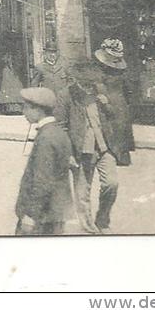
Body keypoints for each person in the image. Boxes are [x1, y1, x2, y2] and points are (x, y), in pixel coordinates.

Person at [54, 58, 132, 234]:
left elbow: (113, 117)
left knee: (112, 183)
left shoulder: (99, 90)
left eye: (92, 84)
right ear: (77, 81)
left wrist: (106, 104)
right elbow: (60, 127)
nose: (90, 88)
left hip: (104, 147)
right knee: (82, 193)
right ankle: (88, 227)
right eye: (86, 84)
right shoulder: (65, 95)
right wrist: (68, 154)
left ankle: (102, 220)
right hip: (81, 150)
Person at [14, 87, 73, 236]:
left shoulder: (46, 137)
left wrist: (31, 215)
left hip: (42, 216)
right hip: (56, 211)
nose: (23, 113)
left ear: (37, 109)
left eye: (25, 108)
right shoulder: (58, 131)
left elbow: (42, 181)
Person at [93, 38, 136, 165]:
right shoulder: (122, 71)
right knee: (119, 129)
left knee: (108, 128)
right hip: (120, 102)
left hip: (107, 100)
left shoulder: (100, 72)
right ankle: (121, 157)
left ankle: (110, 155)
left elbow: (98, 86)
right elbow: (129, 89)